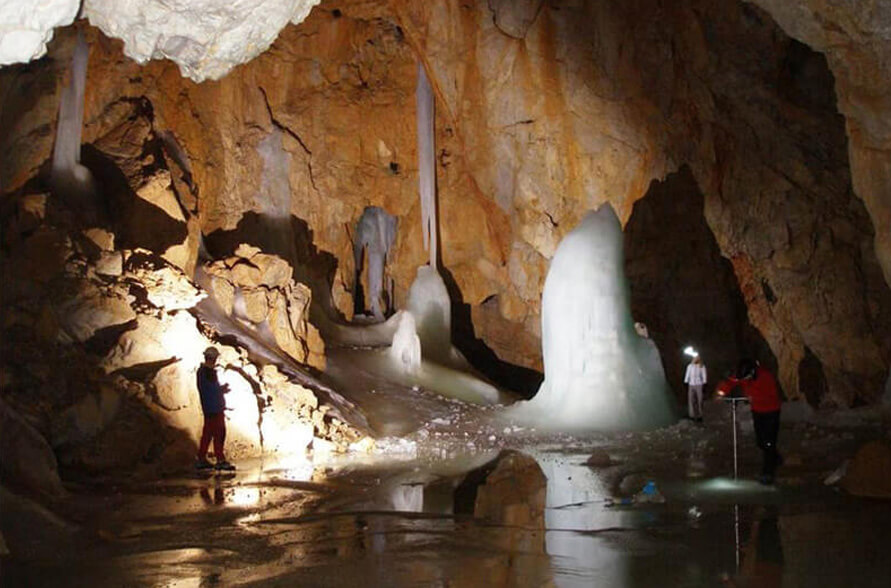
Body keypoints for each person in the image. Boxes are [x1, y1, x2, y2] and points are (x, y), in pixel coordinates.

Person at [718, 358, 782, 484]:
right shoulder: (745, 376)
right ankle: (775, 458)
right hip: (757, 411)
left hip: (771, 411)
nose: (745, 380)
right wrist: (722, 392)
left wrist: (752, 397)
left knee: (768, 442)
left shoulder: (765, 377)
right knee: (760, 441)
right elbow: (731, 381)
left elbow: (771, 395)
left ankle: (768, 473)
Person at [196, 347, 235, 471]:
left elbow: (208, 390)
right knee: (219, 434)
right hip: (215, 408)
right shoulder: (208, 372)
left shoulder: (202, 372)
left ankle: (201, 459)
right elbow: (212, 390)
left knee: (207, 434)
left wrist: (220, 390)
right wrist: (222, 390)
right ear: (213, 358)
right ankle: (220, 460)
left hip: (208, 408)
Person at [684, 354, 707, 423]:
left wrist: (704, 382)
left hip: (699, 384)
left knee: (700, 399)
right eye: (694, 358)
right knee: (691, 400)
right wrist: (686, 381)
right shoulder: (690, 366)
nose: (695, 359)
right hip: (691, 384)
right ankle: (692, 415)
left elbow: (704, 374)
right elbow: (687, 374)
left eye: (696, 358)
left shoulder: (701, 366)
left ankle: (700, 415)